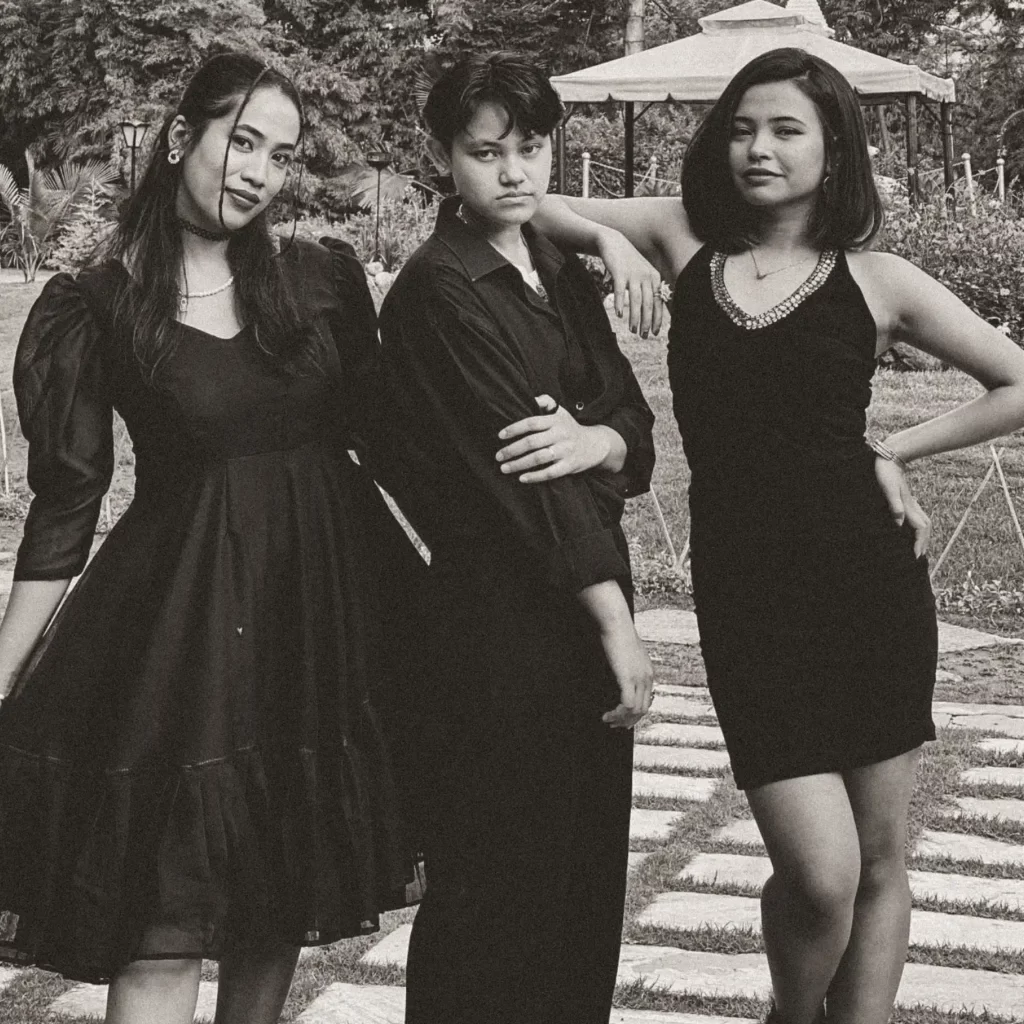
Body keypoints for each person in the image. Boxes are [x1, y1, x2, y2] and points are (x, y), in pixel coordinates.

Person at [531, 47, 1024, 1024]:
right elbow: (528, 202)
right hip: (748, 601)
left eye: (786, 129)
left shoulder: (878, 280)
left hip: (872, 593)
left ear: (834, 147)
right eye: (743, 128)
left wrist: (894, 449)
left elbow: (1016, 380)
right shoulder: (682, 238)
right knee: (819, 872)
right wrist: (611, 244)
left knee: (878, 861)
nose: (758, 147)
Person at [0, 52, 424, 1024]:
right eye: (244, 142)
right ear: (180, 136)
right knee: (165, 912)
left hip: (317, 619)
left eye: (280, 155)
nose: (259, 172)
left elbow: (396, 447)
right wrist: (5, 665)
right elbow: (68, 500)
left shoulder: (319, 278)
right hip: (183, 628)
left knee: (276, 893)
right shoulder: (97, 302)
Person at [369, 51, 656, 1024]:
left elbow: (635, 425)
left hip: (578, 611)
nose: (512, 170)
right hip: (494, 626)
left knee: (582, 879)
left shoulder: (557, 268)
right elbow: (527, 483)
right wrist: (616, 625)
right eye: (485, 152)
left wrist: (599, 438)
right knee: (494, 886)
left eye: (530, 148)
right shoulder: (439, 290)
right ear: (443, 158)